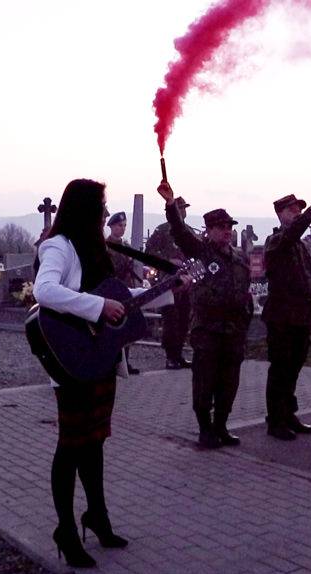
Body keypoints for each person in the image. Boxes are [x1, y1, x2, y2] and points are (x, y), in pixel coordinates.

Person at [34, 179, 181, 568]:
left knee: (94, 442)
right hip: (71, 361)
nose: (104, 213)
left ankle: (96, 516)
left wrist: (168, 289)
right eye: (100, 206)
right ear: (84, 209)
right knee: (71, 446)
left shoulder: (98, 249)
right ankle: (65, 529)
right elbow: (44, 291)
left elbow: (115, 299)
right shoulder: (58, 246)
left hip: (98, 358)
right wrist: (97, 307)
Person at [157, 181, 253, 449]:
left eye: (228, 227)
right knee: (204, 382)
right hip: (208, 330)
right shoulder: (201, 252)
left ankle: (221, 426)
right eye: (220, 227)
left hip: (233, 331)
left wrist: (245, 318)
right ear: (209, 230)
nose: (226, 231)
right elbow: (179, 231)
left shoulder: (239, 257)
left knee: (229, 383)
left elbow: (245, 291)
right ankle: (205, 429)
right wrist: (170, 205)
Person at [262, 188, 311, 440]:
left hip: (300, 317)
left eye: (299, 209)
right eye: (292, 210)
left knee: (294, 369)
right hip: (281, 317)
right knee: (280, 369)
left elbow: (308, 280)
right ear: (280, 214)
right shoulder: (278, 241)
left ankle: (288, 414)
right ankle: (275, 420)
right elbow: (292, 234)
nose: (297, 212)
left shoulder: (300, 246)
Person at [145, 197, 192, 370]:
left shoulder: (188, 232)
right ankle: (170, 357)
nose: (183, 211)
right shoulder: (163, 231)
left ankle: (179, 355)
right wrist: (168, 260)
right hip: (168, 282)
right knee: (170, 321)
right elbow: (148, 251)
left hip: (186, 282)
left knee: (183, 319)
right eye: (180, 208)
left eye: (184, 208)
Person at [106, 212, 142, 374]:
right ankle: (112, 362)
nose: (122, 228)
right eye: (119, 225)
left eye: (124, 226)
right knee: (112, 328)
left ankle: (125, 362)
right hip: (111, 291)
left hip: (126, 290)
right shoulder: (105, 247)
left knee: (126, 325)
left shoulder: (126, 248)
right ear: (111, 227)